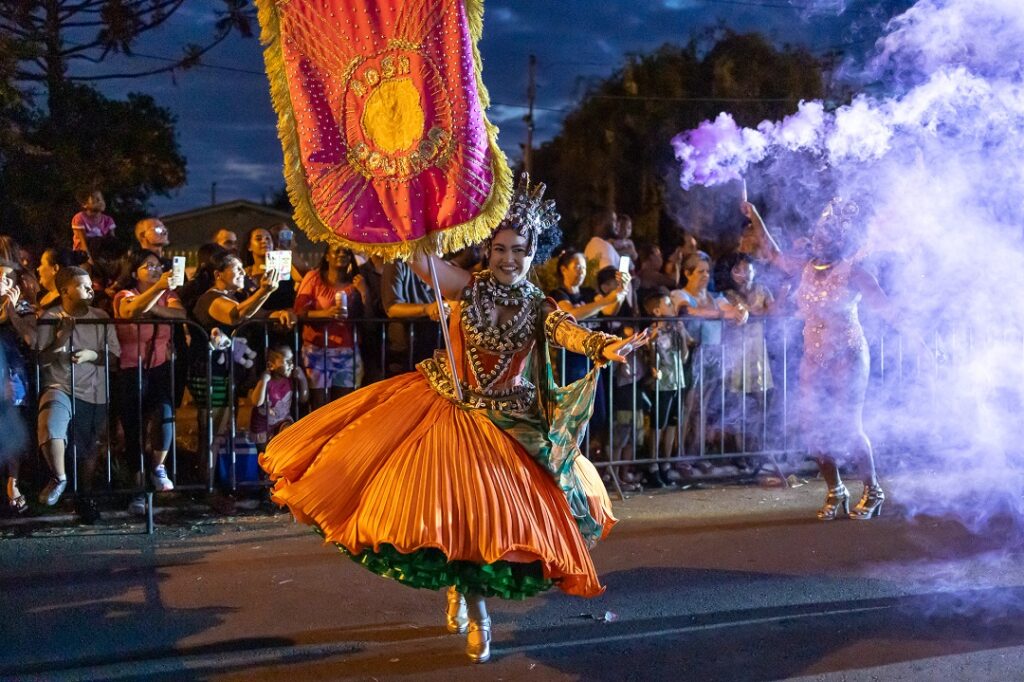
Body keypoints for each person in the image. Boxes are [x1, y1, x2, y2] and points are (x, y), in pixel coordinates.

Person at [260, 175, 649, 664]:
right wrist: (404, 204)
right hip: (449, 410)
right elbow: (421, 261)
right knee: (457, 516)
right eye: (501, 248)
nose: (510, 259)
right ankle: (476, 611)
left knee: (493, 524)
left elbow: (571, 333)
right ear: (488, 250)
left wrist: (607, 346)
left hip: (512, 424)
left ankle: (468, 597)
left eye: (520, 251)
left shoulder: (538, 306)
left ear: (534, 255)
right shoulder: (467, 287)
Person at [742, 197, 890, 520]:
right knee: (813, 427)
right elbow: (771, 252)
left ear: (842, 240)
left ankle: (873, 489)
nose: (819, 238)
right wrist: (754, 216)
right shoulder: (805, 267)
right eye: (819, 232)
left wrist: (919, 335)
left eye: (828, 234)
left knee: (849, 426)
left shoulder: (855, 272)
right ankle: (836, 490)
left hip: (848, 353)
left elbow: (887, 308)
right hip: (814, 356)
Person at [32, 266, 120, 523]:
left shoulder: (101, 316)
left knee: (89, 447)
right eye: (82, 285)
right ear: (64, 291)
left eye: (90, 283)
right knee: (50, 424)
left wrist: (93, 356)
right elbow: (42, 361)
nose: (90, 289)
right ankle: (59, 477)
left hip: (94, 391)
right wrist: (62, 337)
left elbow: (115, 358)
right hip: (61, 386)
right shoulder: (51, 316)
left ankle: (84, 496)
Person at [112, 250, 185, 514]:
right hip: (132, 368)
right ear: (134, 272)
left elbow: (179, 314)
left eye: (157, 266)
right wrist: (156, 296)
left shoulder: (168, 293)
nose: (155, 270)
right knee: (134, 429)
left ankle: (157, 467)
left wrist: (153, 305)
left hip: (159, 366)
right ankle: (138, 489)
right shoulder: (124, 294)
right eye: (148, 266)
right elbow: (131, 309)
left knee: (165, 414)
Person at [294, 244, 370, 409]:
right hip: (317, 350)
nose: (342, 254)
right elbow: (299, 312)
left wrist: (364, 292)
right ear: (327, 256)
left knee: (343, 405)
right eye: (337, 250)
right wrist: (326, 314)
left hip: (346, 351)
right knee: (319, 404)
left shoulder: (356, 282)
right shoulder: (313, 278)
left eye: (346, 252)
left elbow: (367, 315)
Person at [0, 258, 34, 513]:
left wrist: (11, 311)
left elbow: (31, 338)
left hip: (11, 375)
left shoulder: (22, 305)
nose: (4, 281)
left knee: (12, 428)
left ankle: (13, 483)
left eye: (9, 278)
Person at [248, 344, 308, 449]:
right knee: (265, 453)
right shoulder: (267, 381)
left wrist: (302, 379)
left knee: (289, 433)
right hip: (263, 424)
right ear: (271, 365)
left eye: (292, 360)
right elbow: (256, 402)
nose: (291, 364)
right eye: (287, 361)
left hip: (282, 421)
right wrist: (263, 382)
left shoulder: (290, 380)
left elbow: (304, 399)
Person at [71, 189, 116, 255]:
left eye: (102, 199)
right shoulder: (80, 218)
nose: (101, 202)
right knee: (95, 241)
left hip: (102, 255)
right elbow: (83, 244)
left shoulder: (108, 220)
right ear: (84, 204)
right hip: (83, 255)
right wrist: (91, 262)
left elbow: (113, 243)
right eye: (96, 200)